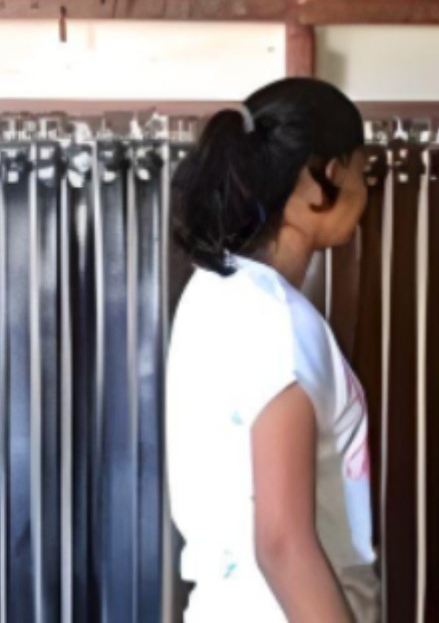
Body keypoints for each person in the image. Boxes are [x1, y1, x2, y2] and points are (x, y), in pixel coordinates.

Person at [167, 78, 377, 623]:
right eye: (361, 170)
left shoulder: (211, 289)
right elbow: (283, 545)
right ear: (320, 182)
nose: (366, 188)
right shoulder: (279, 321)